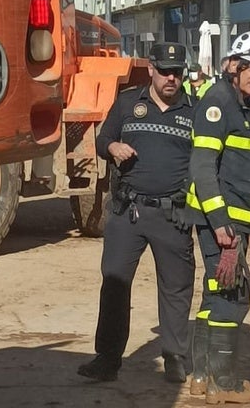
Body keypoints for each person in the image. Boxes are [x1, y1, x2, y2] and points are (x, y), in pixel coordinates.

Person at [77, 43, 196, 384]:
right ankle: (108, 358)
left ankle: (174, 355)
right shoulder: (130, 103)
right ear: (152, 71)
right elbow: (102, 140)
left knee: (176, 287)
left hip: (172, 214)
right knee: (115, 283)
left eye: (178, 72)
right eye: (165, 71)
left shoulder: (195, 111)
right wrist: (112, 147)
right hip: (128, 212)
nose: (172, 78)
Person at [186, 28, 250, 405]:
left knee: (214, 294)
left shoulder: (242, 105)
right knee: (231, 297)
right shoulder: (219, 102)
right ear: (235, 65)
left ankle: (201, 378)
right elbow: (203, 165)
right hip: (223, 224)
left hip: (232, 222)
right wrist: (222, 223)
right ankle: (225, 385)